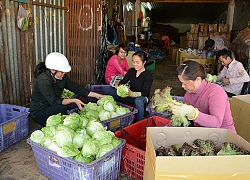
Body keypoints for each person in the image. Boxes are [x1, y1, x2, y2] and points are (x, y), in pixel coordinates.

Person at [30, 52, 105, 126]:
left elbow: (76, 88)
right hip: (39, 111)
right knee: (61, 108)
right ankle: (46, 123)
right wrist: (74, 100)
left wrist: (96, 95)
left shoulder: (62, 77)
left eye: (64, 72)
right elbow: (55, 101)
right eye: (62, 72)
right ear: (53, 70)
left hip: (51, 106)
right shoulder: (43, 81)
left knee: (69, 106)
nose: (64, 74)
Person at [169, 60, 236, 133]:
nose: (182, 86)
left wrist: (194, 114)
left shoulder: (216, 92)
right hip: (202, 133)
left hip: (223, 135)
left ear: (198, 79)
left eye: (185, 83)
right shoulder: (188, 94)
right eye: (182, 83)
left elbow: (216, 123)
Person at [103, 51, 154, 122]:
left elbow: (145, 93)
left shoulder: (148, 76)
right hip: (129, 96)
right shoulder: (131, 71)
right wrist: (118, 85)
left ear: (144, 62)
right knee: (107, 91)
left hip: (142, 98)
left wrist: (131, 93)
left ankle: (139, 122)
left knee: (138, 101)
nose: (135, 64)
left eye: (137, 62)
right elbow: (123, 82)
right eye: (133, 62)